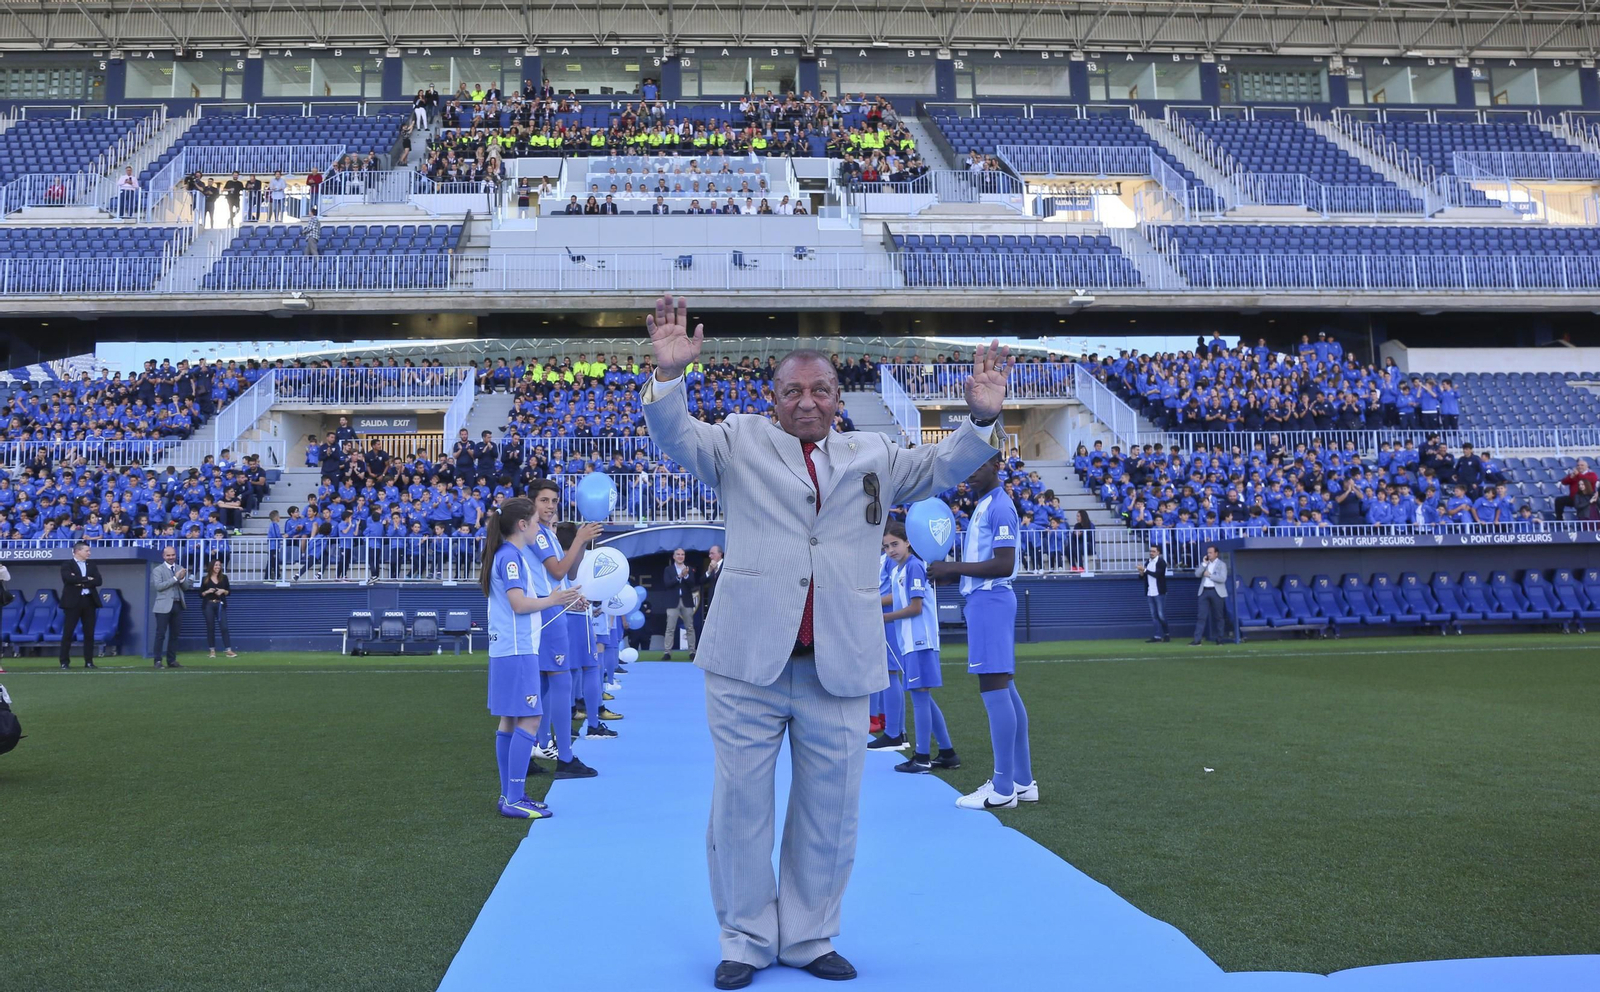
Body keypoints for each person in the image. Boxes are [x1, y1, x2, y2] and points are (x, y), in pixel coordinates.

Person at [641, 294, 1008, 990]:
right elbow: (675, 437)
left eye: (820, 390)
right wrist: (668, 377)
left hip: (838, 662)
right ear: (771, 398)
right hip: (748, 661)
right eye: (792, 391)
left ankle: (809, 936)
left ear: (839, 397)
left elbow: (941, 469)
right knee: (740, 807)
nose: (806, 401)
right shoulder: (737, 441)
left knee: (830, 811)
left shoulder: (874, 451)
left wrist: (983, 417)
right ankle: (745, 939)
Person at [928, 454, 1037, 812]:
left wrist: (952, 567)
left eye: (976, 467)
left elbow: (1004, 563)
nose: (969, 475)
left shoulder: (999, 506)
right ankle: (1022, 780)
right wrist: (953, 574)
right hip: (987, 599)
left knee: (993, 688)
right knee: (1005, 687)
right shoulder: (988, 503)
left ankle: (1003, 787)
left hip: (990, 600)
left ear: (995, 465)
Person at [482, 495, 586, 820]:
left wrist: (559, 600)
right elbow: (518, 604)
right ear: (523, 525)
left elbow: (524, 600)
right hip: (517, 649)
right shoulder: (511, 557)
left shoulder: (506, 555)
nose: (539, 527)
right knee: (529, 719)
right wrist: (553, 599)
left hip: (510, 648)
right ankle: (514, 796)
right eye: (535, 522)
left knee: (510, 720)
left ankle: (510, 794)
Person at [526, 480, 604, 780]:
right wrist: (579, 539)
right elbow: (559, 571)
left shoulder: (548, 533)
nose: (550, 506)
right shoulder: (540, 534)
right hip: (548, 615)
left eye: (554, 500)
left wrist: (580, 542)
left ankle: (532, 748)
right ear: (532, 502)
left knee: (545, 686)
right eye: (544, 500)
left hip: (553, 610)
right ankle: (565, 758)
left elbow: (567, 572)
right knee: (558, 684)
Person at [881, 520, 957, 774]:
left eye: (895, 544)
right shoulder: (898, 570)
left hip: (920, 640)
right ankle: (947, 753)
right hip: (910, 641)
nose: (891, 550)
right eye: (886, 546)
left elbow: (915, 607)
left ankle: (922, 758)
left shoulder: (913, 566)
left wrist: (881, 616)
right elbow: (900, 599)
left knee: (920, 697)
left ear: (908, 542)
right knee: (922, 696)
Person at [59, 541, 104, 669]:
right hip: (73, 602)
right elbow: (68, 579)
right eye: (87, 551)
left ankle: (89, 661)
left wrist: (80, 580)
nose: (89, 553)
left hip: (89, 600)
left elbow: (98, 581)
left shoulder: (91, 564)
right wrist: (87, 579)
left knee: (89, 633)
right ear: (78, 551)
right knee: (68, 632)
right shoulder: (67, 564)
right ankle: (64, 662)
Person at [151, 545, 188, 668]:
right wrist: (175, 578)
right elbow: (159, 586)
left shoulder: (180, 568)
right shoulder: (158, 570)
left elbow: (186, 587)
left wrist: (182, 580)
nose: (171, 557)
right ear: (163, 556)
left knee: (174, 635)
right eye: (168, 555)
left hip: (177, 604)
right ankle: (157, 660)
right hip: (163, 606)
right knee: (160, 634)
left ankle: (171, 660)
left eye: (173, 555)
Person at [661, 547, 698, 659]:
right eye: (678, 554)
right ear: (674, 556)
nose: (680, 556)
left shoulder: (689, 569)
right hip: (673, 602)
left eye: (682, 554)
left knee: (690, 627)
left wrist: (686, 575)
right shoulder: (668, 569)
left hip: (686, 601)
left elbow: (693, 584)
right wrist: (679, 576)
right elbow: (667, 584)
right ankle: (667, 652)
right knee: (670, 628)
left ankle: (692, 652)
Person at [199, 558, 238, 659]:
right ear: (211, 566)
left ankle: (228, 650)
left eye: (219, 565)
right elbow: (200, 594)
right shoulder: (205, 579)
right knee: (210, 628)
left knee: (224, 627)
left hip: (220, 604)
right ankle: (212, 651)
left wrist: (222, 591)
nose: (218, 567)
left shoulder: (224, 578)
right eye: (216, 565)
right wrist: (207, 592)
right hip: (208, 604)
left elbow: (229, 592)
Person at [1191, 545, 1229, 646]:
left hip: (1216, 592)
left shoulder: (1222, 565)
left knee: (1219, 617)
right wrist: (1203, 564)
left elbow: (1222, 578)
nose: (1208, 554)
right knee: (1201, 617)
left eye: (1211, 553)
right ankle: (1197, 640)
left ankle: (1220, 639)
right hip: (1204, 591)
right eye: (1208, 552)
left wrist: (1210, 575)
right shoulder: (1205, 564)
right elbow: (1197, 574)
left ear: (1216, 554)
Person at [1138, 544, 1170, 642]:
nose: (1151, 553)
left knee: (1161, 615)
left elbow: (1157, 574)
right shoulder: (1148, 562)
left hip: (1159, 592)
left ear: (1158, 552)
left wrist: (1145, 570)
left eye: (1153, 551)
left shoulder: (1161, 562)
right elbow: (1143, 578)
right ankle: (1157, 636)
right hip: (1150, 592)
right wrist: (1141, 573)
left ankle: (1166, 634)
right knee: (1154, 615)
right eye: (1150, 551)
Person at [696, 545, 723, 645]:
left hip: (724, 600)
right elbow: (701, 581)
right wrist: (709, 571)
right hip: (712, 600)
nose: (710, 556)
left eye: (712, 553)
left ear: (720, 554)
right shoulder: (710, 566)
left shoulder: (726, 565)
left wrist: (716, 570)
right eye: (709, 553)